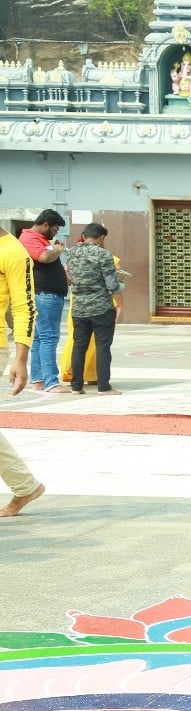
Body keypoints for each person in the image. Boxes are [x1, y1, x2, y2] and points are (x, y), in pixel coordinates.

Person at [0, 212, 46, 517]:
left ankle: (26, 486)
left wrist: (20, 358)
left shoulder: (13, 252)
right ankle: (26, 486)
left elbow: (24, 307)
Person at [63, 223, 124, 396]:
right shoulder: (104, 255)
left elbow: (68, 277)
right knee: (103, 346)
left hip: (79, 308)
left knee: (79, 346)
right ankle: (103, 387)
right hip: (101, 308)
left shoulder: (72, 253)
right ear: (101, 238)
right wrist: (120, 303)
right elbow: (112, 284)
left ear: (84, 236)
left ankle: (76, 386)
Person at [18, 209, 69, 394]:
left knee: (40, 339)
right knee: (49, 338)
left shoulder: (39, 240)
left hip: (47, 295)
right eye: (55, 228)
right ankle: (51, 382)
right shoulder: (29, 238)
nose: (56, 232)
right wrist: (57, 250)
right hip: (45, 295)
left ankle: (38, 380)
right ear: (45, 224)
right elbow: (44, 257)